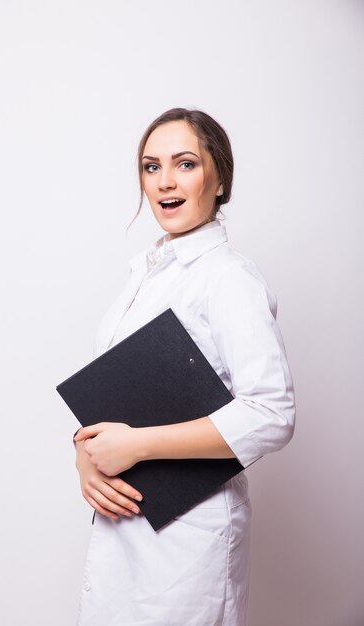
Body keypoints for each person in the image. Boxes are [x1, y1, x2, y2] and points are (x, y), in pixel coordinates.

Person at [73, 107, 296, 626]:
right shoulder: (147, 274)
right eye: (151, 167)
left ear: (220, 177)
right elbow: (118, 394)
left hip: (188, 534)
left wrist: (139, 444)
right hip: (123, 519)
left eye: (185, 164)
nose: (165, 182)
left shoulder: (228, 278)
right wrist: (86, 456)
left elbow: (272, 413)